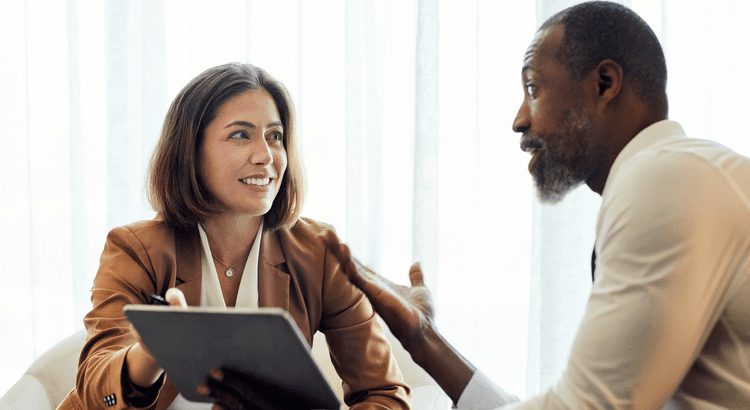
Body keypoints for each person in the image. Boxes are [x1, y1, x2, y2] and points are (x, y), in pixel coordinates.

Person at [332, 1, 750, 409]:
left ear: (605, 83)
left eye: (532, 88)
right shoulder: (685, 171)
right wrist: (424, 341)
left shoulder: (664, 180)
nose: (519, 119)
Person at [57, 63, 410, 410]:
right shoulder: (134, 249)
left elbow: (384, 394)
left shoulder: (320, 253)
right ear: (190, 152)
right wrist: (148, 355)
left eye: (275, 136)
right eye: (240, 135)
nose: (266, 155)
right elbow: (95, 394)